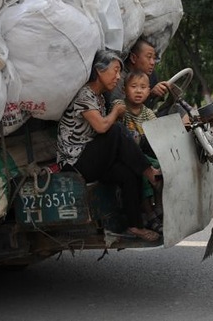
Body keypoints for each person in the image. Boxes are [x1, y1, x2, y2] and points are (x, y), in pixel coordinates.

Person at [55, 49, 161, 242]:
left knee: (129, 173)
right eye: (115, 70)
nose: (118, 76)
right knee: (115, 130)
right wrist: (115, 114)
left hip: (92, 157)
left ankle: (135, 226)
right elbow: (102, 126)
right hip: (75, 162)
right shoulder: (84, 95)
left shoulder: (100, 97)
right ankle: (150, 173)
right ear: (99, 71)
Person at [112, 69, 164, 233]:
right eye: (134, 86)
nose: (138, 90)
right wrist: (117, 111)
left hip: (144, 154)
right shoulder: (122, 109)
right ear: (124, 90)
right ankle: (149, 214)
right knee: (142, 173)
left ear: (149, 91)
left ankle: (160, 208)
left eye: (143, 87)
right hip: (128, 157)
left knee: (163, 167)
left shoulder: (148, 114)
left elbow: (157, 134)